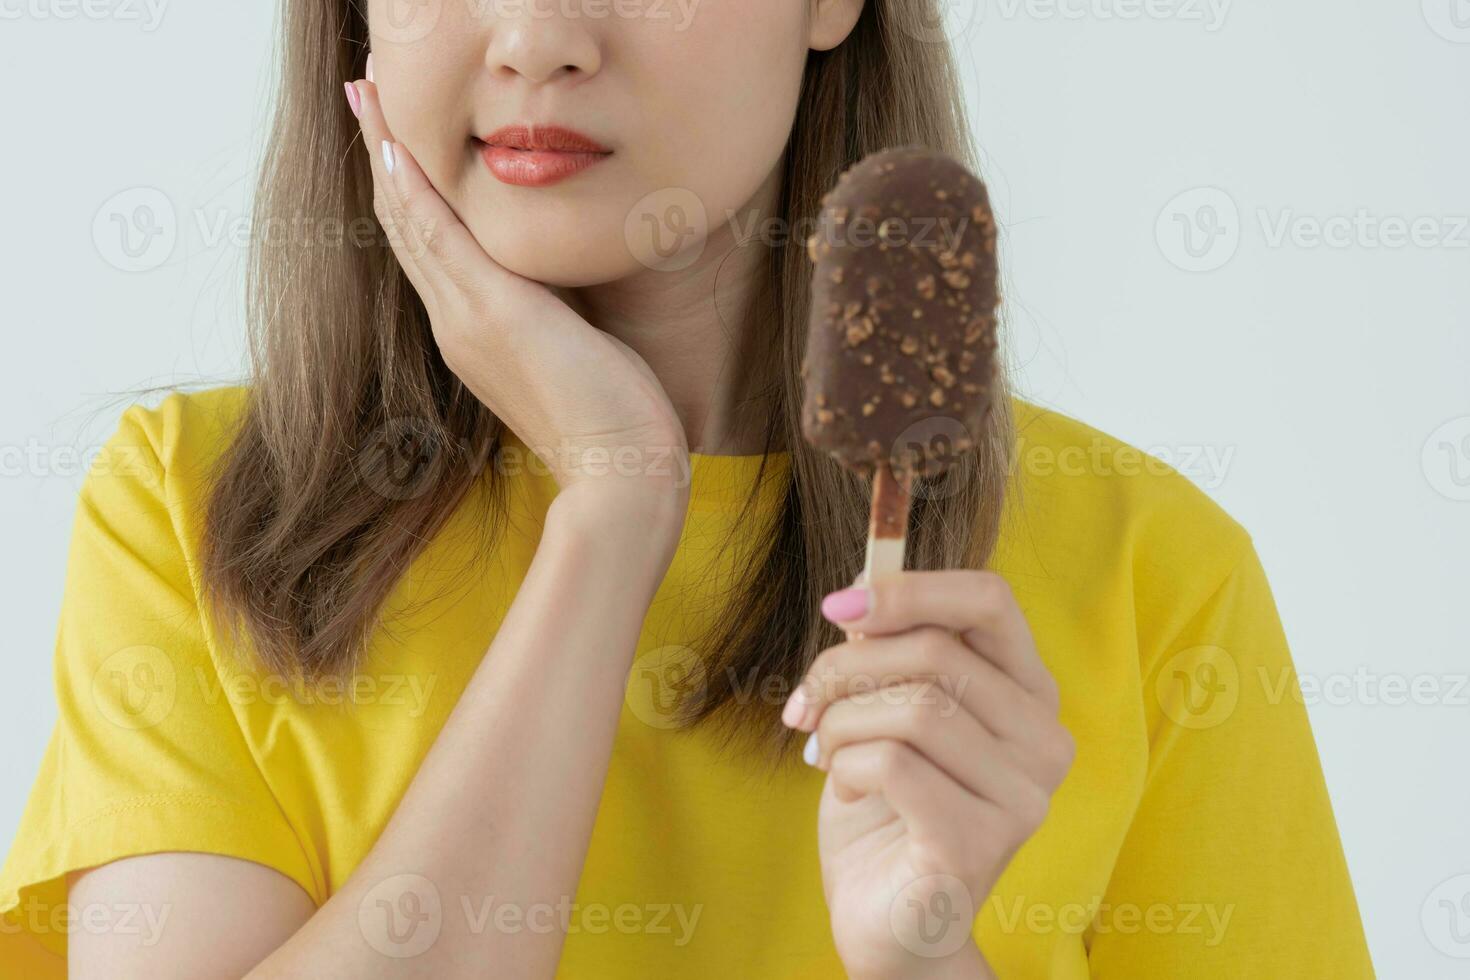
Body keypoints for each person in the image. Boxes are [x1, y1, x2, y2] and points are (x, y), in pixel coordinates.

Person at [0, 1, 1373, 976]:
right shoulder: (192, 505)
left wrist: (923, 964)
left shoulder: (1151, 568)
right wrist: (614, 504)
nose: (536, 33)